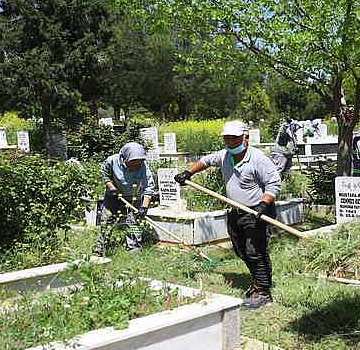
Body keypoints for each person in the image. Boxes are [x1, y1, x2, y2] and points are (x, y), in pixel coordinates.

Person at [174, 120, 281, 309]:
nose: (231, 142)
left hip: (257, 211)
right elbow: (206, 161)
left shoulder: (258, 159)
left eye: (234, 139)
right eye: (227, 139)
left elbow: (273, 184)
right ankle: (258, 281)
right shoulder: (224, 156)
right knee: (241, 250)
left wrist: (263, 204)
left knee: (255, 251)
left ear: (245, 138)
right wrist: (188, 172)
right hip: (236, 211)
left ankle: (263, 291)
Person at [93, 142, 156, 256]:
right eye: (133, 162)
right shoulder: (112, 161)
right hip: (113, 196)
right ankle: (100, 248)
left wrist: (144, 207)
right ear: (125, 158)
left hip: (133, 198)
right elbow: (104, 174)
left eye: (140, 162)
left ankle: (134, 248)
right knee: (107, 220)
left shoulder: (143, 166)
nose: (137, 165)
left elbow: (149, 187)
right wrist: (111, 188)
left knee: (133, 222)